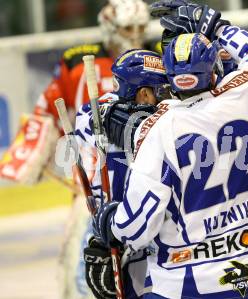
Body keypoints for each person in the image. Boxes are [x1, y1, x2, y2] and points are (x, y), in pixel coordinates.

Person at [91, 27, 248, 297]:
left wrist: (109, 224)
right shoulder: (244, 97)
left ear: (170, 80)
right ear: (213, 72)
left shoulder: (158, 130)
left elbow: (134, 229)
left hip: (185, 285)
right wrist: (220, 26)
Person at [0, 1, 151, 298]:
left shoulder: (153, 58)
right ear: (109, 27)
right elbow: (47, 110)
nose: (134, 36)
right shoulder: (77, 63)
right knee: (82, 267)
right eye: (127, 28)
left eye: (139, 29)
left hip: (143, 181)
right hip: (93, 189)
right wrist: (29, 153)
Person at [75, 49, 170, 299]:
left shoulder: (94, 113)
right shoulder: (93, 115)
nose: (169, 98)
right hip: (130, 236)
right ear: (144, 93)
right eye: (163, 91)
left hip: (124, 229)